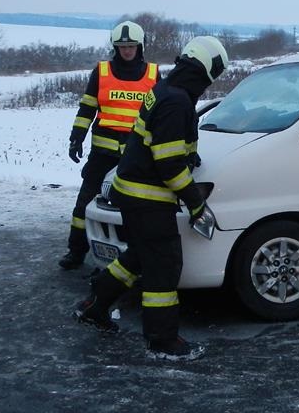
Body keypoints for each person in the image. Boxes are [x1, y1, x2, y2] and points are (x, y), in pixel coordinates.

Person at [73, 35, 228, 361]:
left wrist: (190, 153)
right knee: (164, 265)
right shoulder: (176, 102)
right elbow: (168, 163)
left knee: (140, 256)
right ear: (203, 72)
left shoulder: (165, 90)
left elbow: (165, 145)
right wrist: (195, 203)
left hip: (132, 192)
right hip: (148, 198)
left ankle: (95, 306)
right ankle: (162, 340)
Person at [59, 20, 157, 269]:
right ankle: (75, 251)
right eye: (122, 46)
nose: (127, 50)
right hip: (102, 154)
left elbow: (160, 113)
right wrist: (76, 136)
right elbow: (87, 108)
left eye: (131, 46)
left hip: (136, 154)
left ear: (139, 46)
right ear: (115, 47)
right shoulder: (101, 72)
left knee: (135, 207)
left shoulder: (153, 74)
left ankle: (130, 257)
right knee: (85, 202)